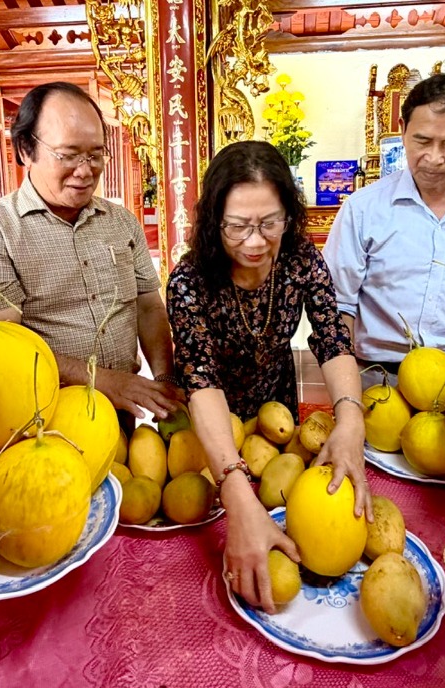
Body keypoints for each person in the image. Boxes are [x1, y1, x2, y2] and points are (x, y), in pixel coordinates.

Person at [167, 140, 371, 613]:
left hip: (278, 413)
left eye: (269, 223)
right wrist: (234, 488)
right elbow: (201, 380)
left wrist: (351, 418)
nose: (255, 242)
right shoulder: (189, 280)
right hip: (212, 428)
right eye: (237, 226)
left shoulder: (301, 259)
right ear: (214, 220)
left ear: (290, 215)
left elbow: (332, 338)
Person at [0, 82, 182, 422]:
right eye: (68, 155)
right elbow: (8, 343)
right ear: (25, 150)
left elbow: (147, 306)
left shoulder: (121, 221)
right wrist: (103, 381)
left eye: (95, 155)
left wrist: (165, 379)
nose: (85, 170)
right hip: (48, 420)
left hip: (124, 415)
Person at [323, 73, 445, 385]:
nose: (434, 158)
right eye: (422, 140)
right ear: (402, 131)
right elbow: (338, 306)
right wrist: (347, 396)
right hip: (376, 376)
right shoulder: (362, 209)